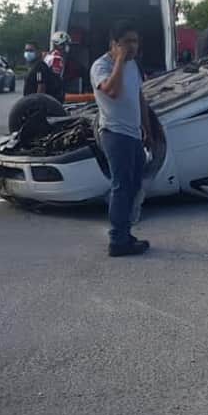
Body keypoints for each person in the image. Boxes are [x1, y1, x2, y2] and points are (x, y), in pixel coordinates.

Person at [91, 21, 152, 257]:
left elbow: (139, 96)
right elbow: (112, 91)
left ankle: (125, 234)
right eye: (127, 42)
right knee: (121, 186)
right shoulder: (101, 66)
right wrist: (118, 59)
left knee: (134, 186)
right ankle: (117, 241)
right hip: (115, 135)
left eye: (135, 41)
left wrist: (147, 128)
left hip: (134, 134)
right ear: (114, 44)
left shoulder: (133, 65)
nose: (132, 47)